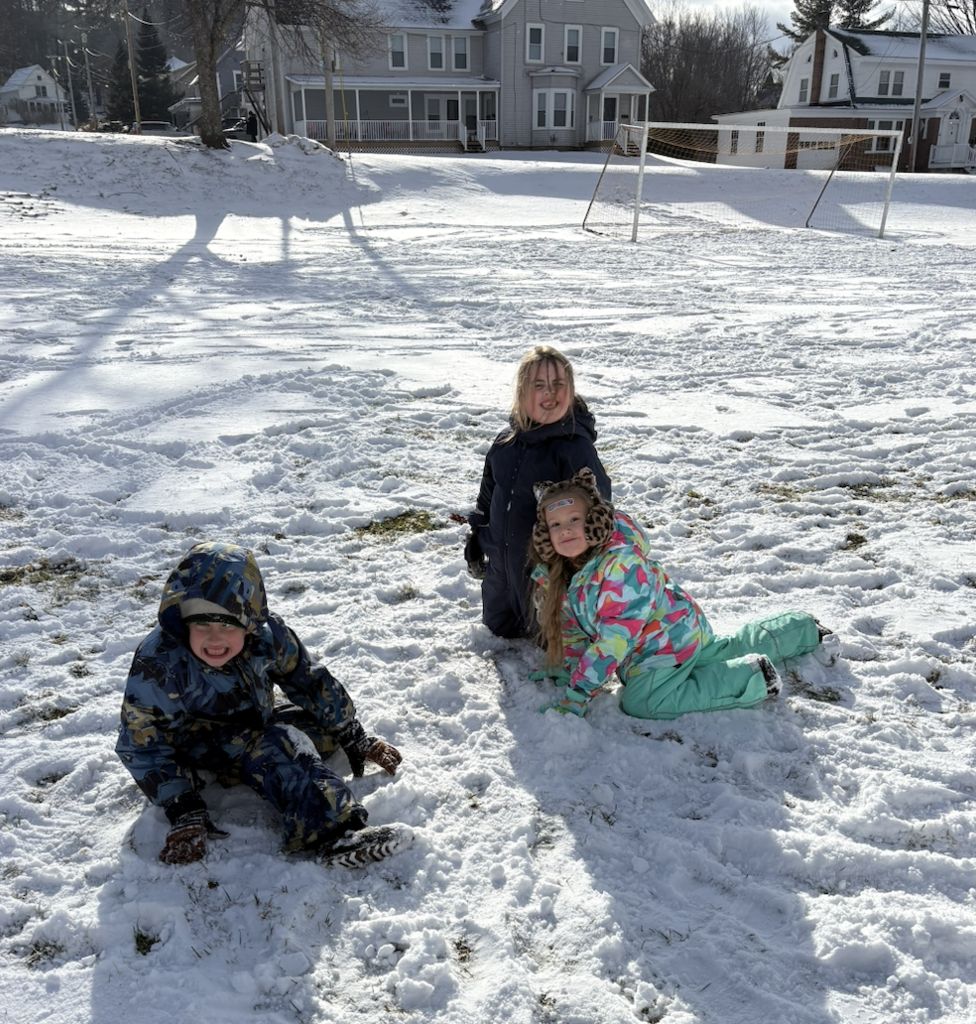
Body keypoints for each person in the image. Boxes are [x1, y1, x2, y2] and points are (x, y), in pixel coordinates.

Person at [116, 541, 413, 867]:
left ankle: (246, 769)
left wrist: (351, 732)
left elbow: (308, 681)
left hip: (253, 717)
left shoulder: (268, 636)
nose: (215, 638)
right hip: (191, 745)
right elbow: (142, 745)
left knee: (320, 733)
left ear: (249, 621)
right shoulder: (159, 663)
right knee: (284, 745)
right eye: (202, 625)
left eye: (228, 624)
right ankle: (335, 834)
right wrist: (182, 804)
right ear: (183, 621)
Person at [529, 468, 837, 719]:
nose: (565, 529)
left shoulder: (620, 566)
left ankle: (754, 677)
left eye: (574, 520)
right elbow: (575, 631)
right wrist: (569, 670)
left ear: (595, 522)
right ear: (545, 535)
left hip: (660, 647)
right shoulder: (561, 576)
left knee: (642, 701)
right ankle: (802, 628)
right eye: (556, 524)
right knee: (727, 649)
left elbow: (613, 640)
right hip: (679, 629)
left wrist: (578, 695)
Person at [466, 346, 611, 640]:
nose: (550, 393)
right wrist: (478, 537)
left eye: (559, 385)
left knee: (551, 643)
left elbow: (600, 511)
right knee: (498, 632)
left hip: (548, 578)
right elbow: (488, 498)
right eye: (539, 385)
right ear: (522, 391)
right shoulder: (505, 444)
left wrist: (581, 566)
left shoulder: (574, 448)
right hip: (501, 575)